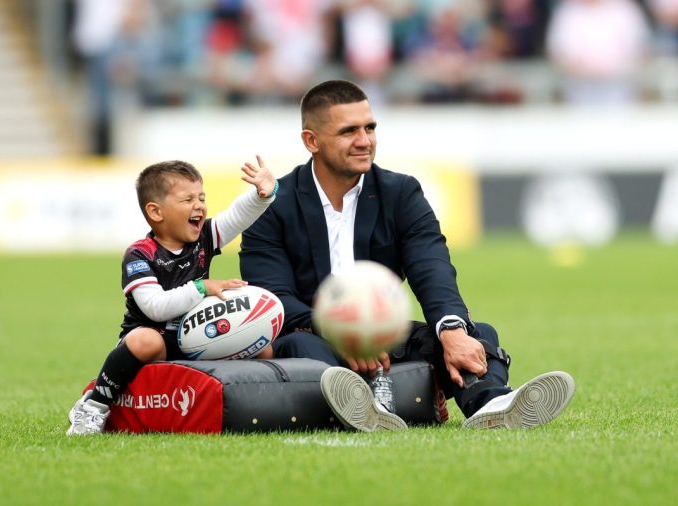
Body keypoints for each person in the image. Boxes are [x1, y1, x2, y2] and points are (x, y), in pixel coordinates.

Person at [239, 79, 575, 431]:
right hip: (313, 333)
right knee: (299, 344)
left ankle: (490, 404)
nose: (365, 141)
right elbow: (272, 298)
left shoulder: (401, 193)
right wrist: (339, 330)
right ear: (312, 141)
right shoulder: (272, 205)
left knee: (476, 333)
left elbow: (431, 265)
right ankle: (363, 405)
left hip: (383, 336)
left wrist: (452, 329)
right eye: (349, 131)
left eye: (370, 128)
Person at [68, 157, 277, 435]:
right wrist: (202, 288)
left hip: (197, 335)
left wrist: (262, 194)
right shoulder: (139, 254)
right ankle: (94, 404)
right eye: (188, 199)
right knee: (146, 339)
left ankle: (260, 406)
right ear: (156, 212)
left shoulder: (205, 237)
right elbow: (154, 307)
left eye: (202, 197)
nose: (199, 205)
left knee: (261, 343)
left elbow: (236, 216)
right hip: (157, 341)